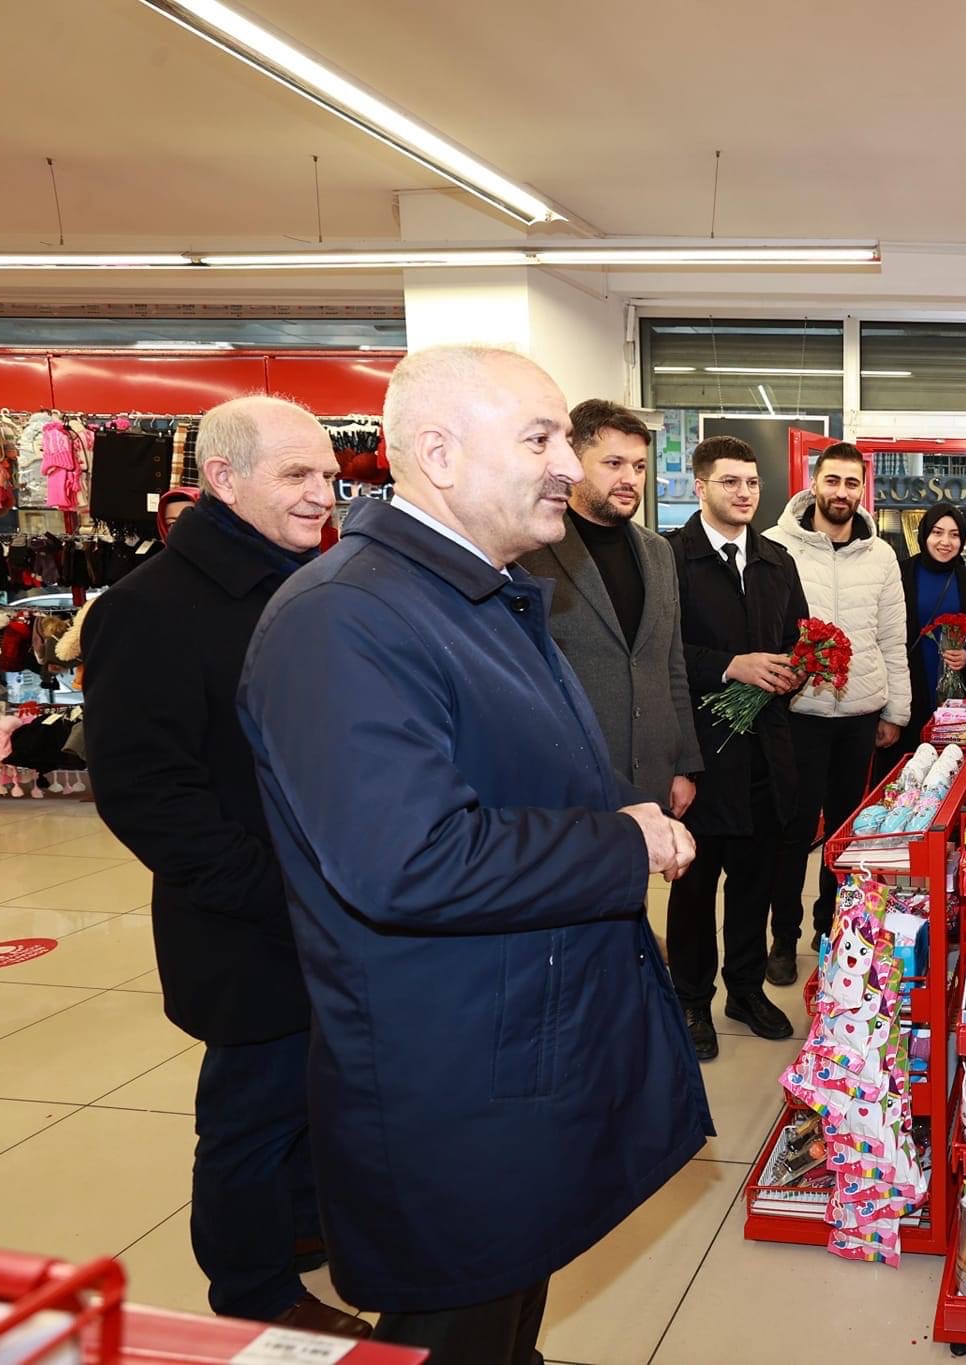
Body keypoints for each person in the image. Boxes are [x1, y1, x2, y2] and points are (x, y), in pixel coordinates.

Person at [238, 346, 710, 1365]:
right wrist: (616, 838)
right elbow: (405, 858)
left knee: (503, 1315)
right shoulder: (344, 618)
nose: (567, 468)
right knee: (457, 1321)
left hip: (514, 1043)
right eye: (539, 440)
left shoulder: (476, 591)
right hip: (449, 1072)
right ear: (439, 456)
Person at [83, 396, 366, 1338]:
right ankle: (253, 1295)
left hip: (337, 911)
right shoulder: (149, 608)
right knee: (252, 1115)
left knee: (318, 1097)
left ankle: (302, 1234)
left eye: (328, 474)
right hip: (248, 925)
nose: (323, 493)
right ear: (222, 480)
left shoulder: (316, 583)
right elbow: (145, 792)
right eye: (297, 475)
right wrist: (278, 893)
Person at [665, 436, 809, 1058]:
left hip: (766, 753)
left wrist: (800, 668)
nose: (744, 492)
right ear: (701, 487)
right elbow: (660, 656)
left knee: (755, 882)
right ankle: (692, 1000)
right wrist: (732, 666)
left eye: (751, 482)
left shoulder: (778, 561)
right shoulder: (670, 558)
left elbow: (800, 638)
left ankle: (744, 989)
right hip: (702, 754)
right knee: (695, 887)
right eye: (730, 482)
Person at [762, 442, 909, 982]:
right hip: (797, 711)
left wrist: (897, 708)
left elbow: (893, 638)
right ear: (814, 483)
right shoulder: (776, 545)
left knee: (847, 831)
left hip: (859, 714)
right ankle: (784, 935)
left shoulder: (882, 555)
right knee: (792, 829)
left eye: (852, 483)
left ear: (861, 490)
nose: (841, 492)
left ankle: (833, 928)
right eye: (833, 481)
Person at [519, 399, 701, 814]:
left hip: (650, 775)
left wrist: (684, 765)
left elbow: (670, 665)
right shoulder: (532, 550)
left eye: (638, 467)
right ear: (575, 462)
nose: (630, 479)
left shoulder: (658, 552)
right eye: (614, 463)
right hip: (565, 779)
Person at [896, 500, 966, 759]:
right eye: (937, 532)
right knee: (909, 766)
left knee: (954, 766)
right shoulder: (901, 575)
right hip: (909, 696)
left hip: (959, 706)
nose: (946, 542)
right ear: (924, 535)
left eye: (954, 535)